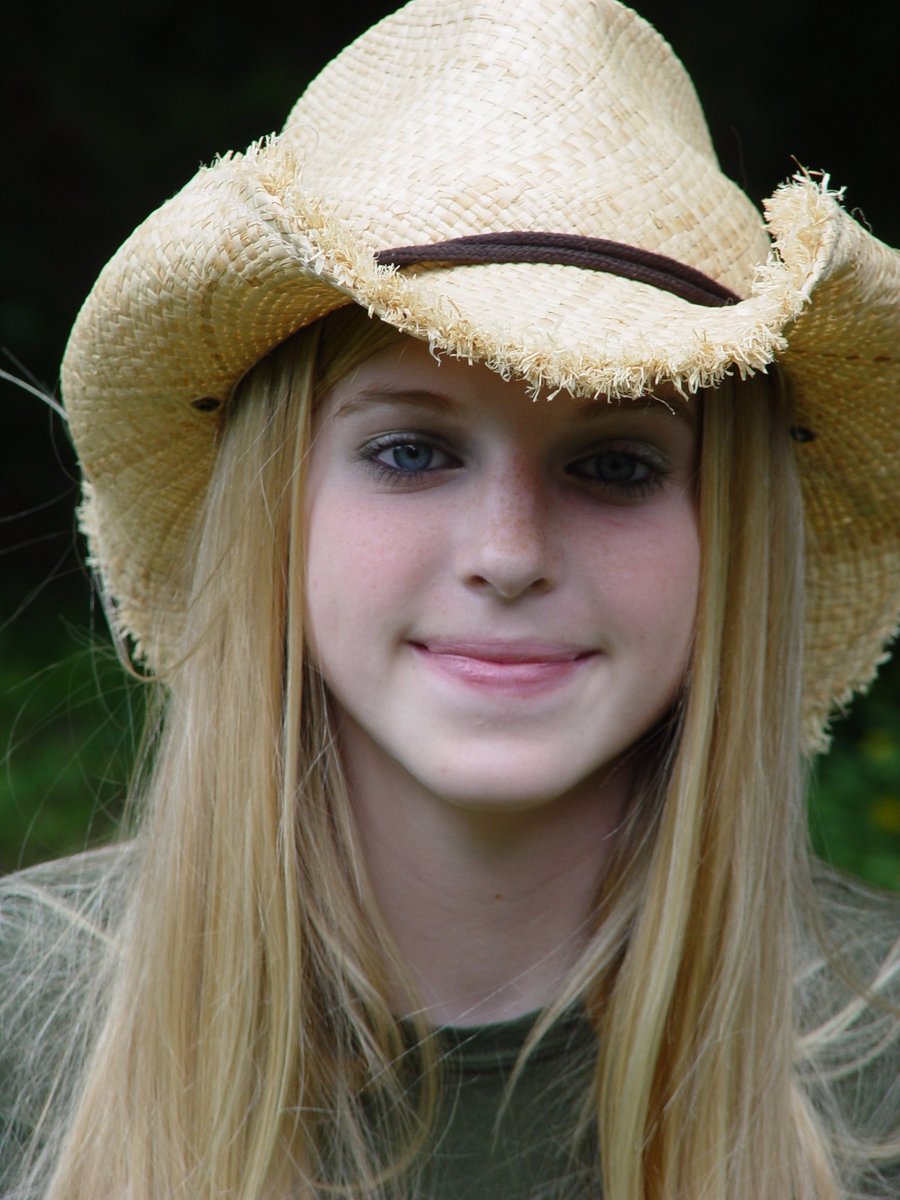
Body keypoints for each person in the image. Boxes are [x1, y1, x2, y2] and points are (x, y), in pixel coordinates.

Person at [1, 0, 898, 1196]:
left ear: (730, 541)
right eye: (413, 453)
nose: (508, 552)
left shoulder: (873, 1064)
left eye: (617, 464)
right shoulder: (26, 1019)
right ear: (278, 507)